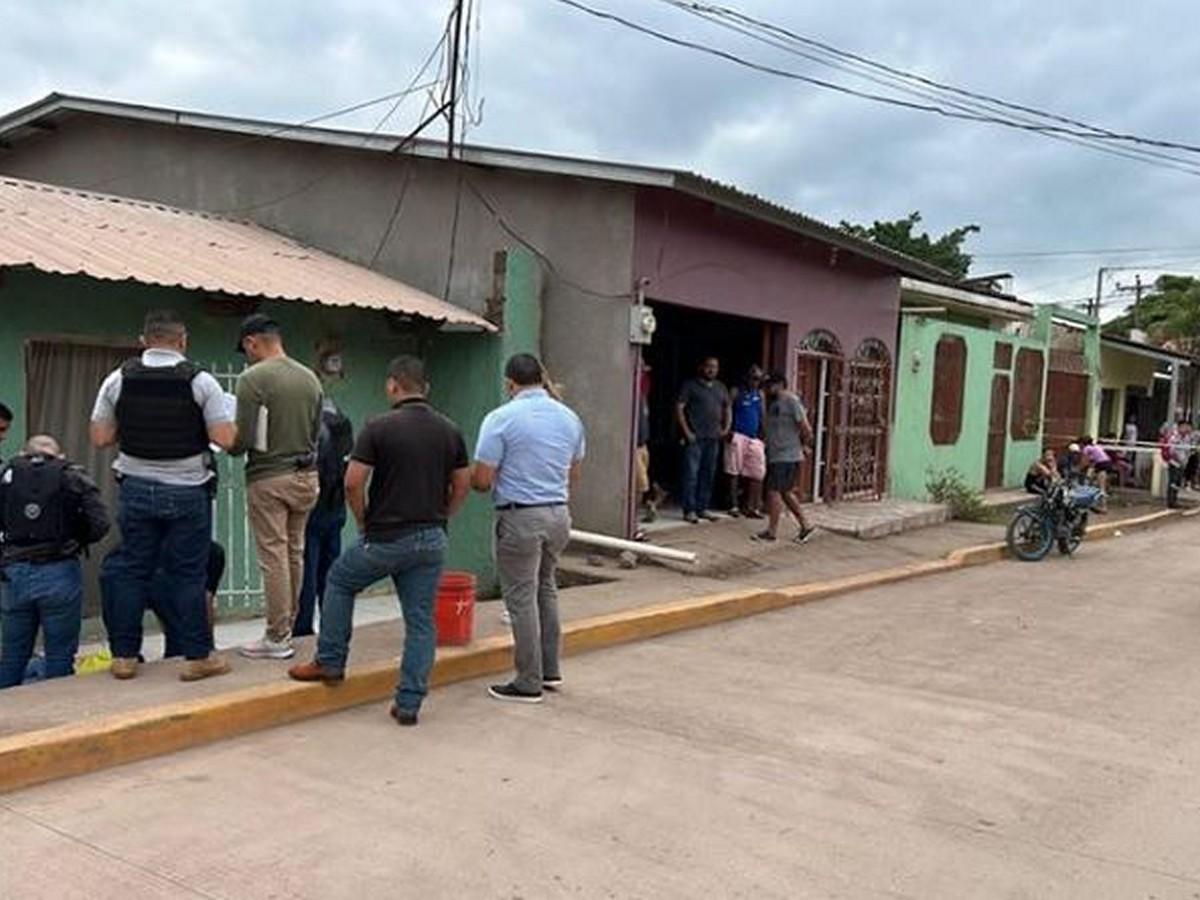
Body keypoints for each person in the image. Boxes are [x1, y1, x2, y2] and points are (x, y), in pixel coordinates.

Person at [289, 356, 470, 728]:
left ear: (392, 385)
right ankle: (408, 703)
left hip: (386, 535)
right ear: (426, 389)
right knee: (420, 621)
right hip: (431, 538)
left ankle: (331, 661)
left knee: (339, 581)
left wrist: (363, 519)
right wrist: (443, 515)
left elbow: (353, 481)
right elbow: (463, 482)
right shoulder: (449, 430)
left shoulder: (379, 427)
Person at [91, 309, 234, 682]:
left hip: (135, 489)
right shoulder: (201, 381)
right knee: (188, 575)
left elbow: (100, 437)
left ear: (144, 341)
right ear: (182, 341)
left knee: (131, 571)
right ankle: (197, 657)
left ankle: (124, 657)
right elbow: (224, 439)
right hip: (187, 491)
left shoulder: (117, 379)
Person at [472, 353, 585, 704]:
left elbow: (482, 479)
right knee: (545, 588)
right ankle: (550, 669)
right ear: (541, 379)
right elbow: (574, 473)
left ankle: (528, 681)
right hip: (558, 514)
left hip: (521, 515)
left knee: (521, 597)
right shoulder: (569, 418)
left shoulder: (501, 419)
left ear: (510, 383)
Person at [231, 314, 323, 661]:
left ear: (253, 342)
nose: (246, 356)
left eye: (245, 349)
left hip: (269, 476)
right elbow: (316, 433)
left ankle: (276, 635)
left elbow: (241, 440)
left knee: (273, 557)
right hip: (307, 477)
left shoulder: (252, 379)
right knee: (294, 552)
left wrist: (225, 439)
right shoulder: (310, 378)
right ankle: (289, 627)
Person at [0, 436, 110, 689]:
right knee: (59, 654)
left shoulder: (6, 474)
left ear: (22, 453)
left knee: (12, 655)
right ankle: (58, 720)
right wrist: (76, 539)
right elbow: (100, 523)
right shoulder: (71, 475)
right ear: (59, 456)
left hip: (14, 572)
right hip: (59, 570)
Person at [101, 540, 226, 661]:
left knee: (125, 658)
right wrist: (207, 649)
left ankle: (126, 659)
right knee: (188, 654)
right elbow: (203, 606)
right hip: (143, 569)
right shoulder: (210, 554)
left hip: (116, 570)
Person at [293, 398, 354, 638]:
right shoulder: (341, 420)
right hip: (336, 506)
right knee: (330, 572)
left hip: (313, 505)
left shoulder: (312, 423)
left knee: (306, 570)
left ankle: (302, 627)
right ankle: (333, 625)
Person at [753, 373, 816, 544]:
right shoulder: (772, 403)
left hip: (787, 455)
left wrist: (806, 445)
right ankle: (805, 525)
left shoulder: (791, 401)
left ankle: (772, 532)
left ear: (780, 384)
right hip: (776, 455)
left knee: (774, 492)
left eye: (770, 385)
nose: (766, 388)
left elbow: (805, 427)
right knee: (786, 493)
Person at [675, 356, 731, 524]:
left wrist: (726, 427)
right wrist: (687, 432)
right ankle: (689, 510)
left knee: (708, 474)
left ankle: (703, 508)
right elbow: (679, 408)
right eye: (708, 366)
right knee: (691, 474)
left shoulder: (721, 387)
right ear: (701, 367)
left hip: (713, 437)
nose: (711, 370)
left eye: (714, 367)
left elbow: (727, 407)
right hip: (695, 437)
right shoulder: (690, 385)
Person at [725, 365, 766, 519]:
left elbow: (762, 415)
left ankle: (752, 507)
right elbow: (728, 409)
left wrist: (764, 435)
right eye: (753, 378)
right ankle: (734, 505)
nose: (755, 382)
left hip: (754, 437)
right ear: (746, 377)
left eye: (758, 379)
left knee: (757, 473)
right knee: (733, 471)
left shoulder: (760, 394)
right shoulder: (736, 392)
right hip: (738, 434)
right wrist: (727, 430)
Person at [1078, 436, 1112, 512]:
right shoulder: (1096, 447)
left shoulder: (1087, 448)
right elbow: (1093, 460)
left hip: (1102, 465)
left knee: (1101, 487)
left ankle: (1104, 507)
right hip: (1105, 463)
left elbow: (1084, 461)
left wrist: (1078, 469)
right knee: (1090, 481)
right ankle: (1093, 502)